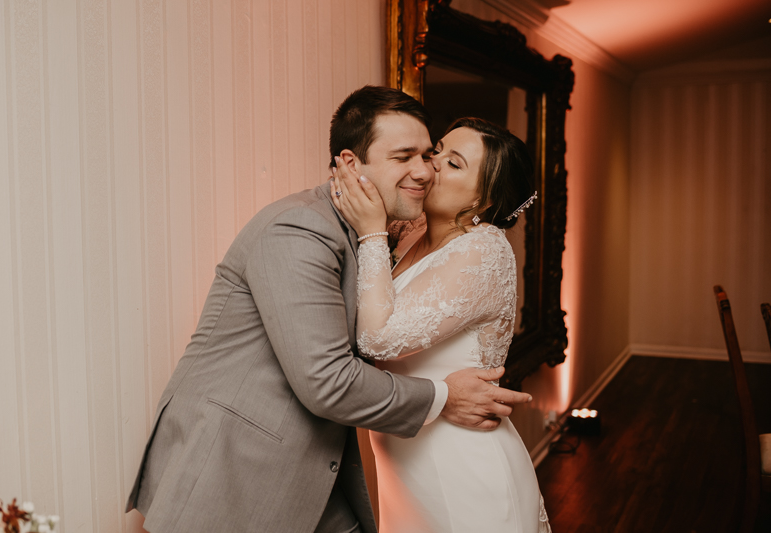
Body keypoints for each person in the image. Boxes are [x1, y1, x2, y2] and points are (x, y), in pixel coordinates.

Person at [125, 87, 532, 533]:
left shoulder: (397, 230)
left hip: (341, 460)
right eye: (408, 157)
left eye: (428, 156)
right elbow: (327, 378)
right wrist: (444, 396)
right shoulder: (300, 230)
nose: (425, 171)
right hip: (238, 461)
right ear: (351, 163)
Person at [330, 116, 551, 532]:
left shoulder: (485, 252)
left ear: (483, 201)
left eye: (453, 164)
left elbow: (377, 340)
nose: (430, 165)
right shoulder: (415, 231)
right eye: (438, 151)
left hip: (462, 463)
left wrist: (372, 234)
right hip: (410, 461)